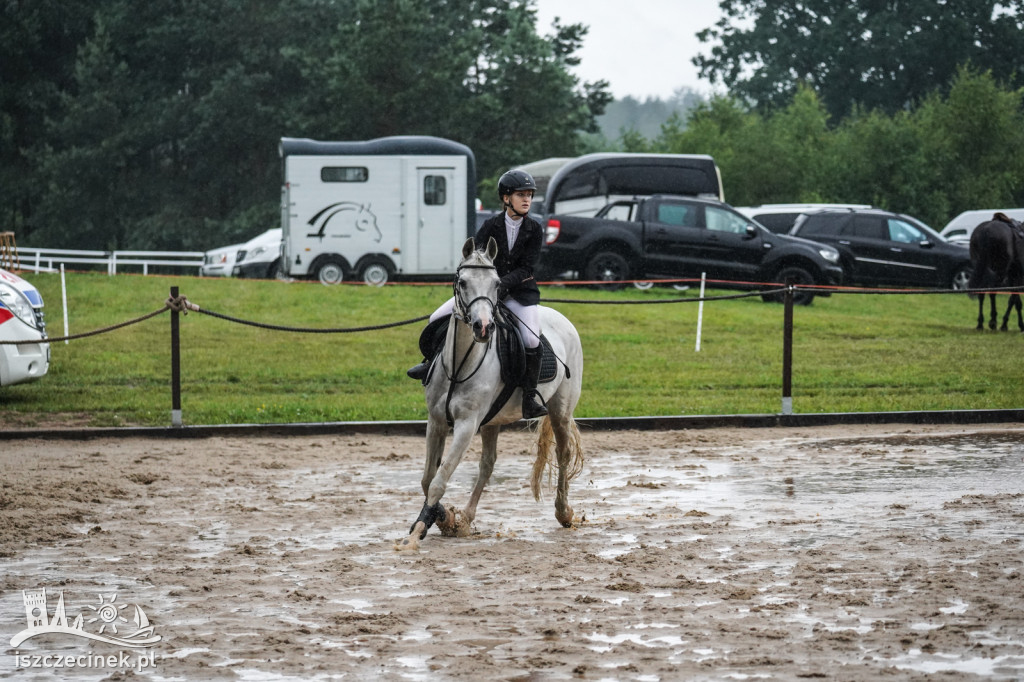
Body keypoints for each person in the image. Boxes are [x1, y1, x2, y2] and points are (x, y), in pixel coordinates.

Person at [407, 169, 548, 419]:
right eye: (521, 195)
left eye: (529, 195)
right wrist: (482, 285)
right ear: (506, 198)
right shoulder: (490, 225)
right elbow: (475, 258)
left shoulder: (535, 228)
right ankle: (430, 363)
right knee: (436, 318)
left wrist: (501, 284)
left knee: (531, 340)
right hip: (480, 293)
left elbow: (527, 268)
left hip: (519, 294)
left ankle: (528, 395)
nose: (527, 199)